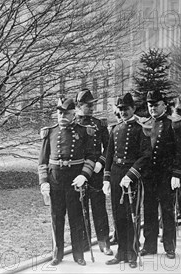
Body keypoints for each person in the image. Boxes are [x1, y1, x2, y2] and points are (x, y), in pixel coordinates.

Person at [38, 97, 96, 266]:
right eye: (59, 112)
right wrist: (44, 182)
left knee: (76, 218)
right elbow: (42, 161)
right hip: (55, 181)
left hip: (74, 181)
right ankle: (58, 254)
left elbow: (91, 157)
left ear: (73, 114)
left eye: (66, 113)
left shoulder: (84, 131)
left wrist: (84, 175)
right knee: (56, 218)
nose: (62, 116)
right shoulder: (50, 132)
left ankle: (78, 254)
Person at [103, 93, 152, 268]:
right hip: (117, 173)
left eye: (126, 109)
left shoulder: (141, 129)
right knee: (118, 215)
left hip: (131, 176)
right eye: (120, 109)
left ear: (133, 109)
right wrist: (107, 178)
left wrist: (130, 175)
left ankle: (132, 253)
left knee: (132, 215)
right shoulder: (115, 129)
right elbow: (109, 154)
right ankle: (121, 252)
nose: (123, 112)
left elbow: (146, 156)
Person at [140, 90, 181, 260]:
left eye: (156, 105)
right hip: (150, 177)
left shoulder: (173, 124)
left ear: (164, 106)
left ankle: (169, 246)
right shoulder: (146, 124)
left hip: (166, 175)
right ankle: (149, 245)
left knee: (167, 212)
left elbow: (180, 151)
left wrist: (177, 173)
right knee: (149, 211)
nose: (152, 108)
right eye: (150, 105)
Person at [74, 89, 113, 256]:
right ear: (78, 106)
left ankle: (104, 242)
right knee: (80, 207)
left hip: (96, 172)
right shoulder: (72, 124)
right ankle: (84, 242)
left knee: (99, 208)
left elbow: (109, 148)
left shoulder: (99, 124)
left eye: (92, 105)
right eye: (87, 105)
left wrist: (101, 163)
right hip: (78, 173)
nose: (91, 108)